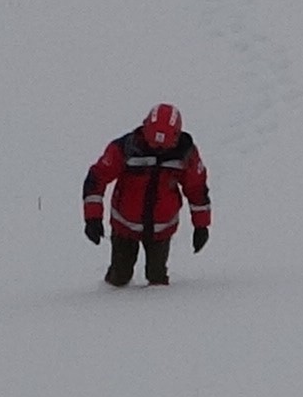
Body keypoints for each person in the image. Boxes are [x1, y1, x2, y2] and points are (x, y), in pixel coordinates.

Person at [84, 102, 211, 287]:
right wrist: (92, 218)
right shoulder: (125, 148)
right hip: (124, 226)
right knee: (119, 278)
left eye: (164, 146)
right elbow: (97, 179)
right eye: (153, 144)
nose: (158, 150)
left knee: (157, 279)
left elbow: (197, 189)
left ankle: (157, 314)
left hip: (161, 230)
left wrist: (201, 226)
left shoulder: (186, 155)